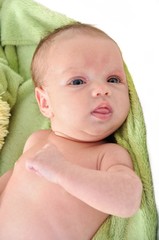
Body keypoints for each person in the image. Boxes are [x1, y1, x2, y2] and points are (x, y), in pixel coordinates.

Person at [0, 23, 143, 240]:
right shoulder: (36, 141)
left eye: (113, 80)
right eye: (78, 81)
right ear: (45, 102)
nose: (102, 89)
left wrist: (62, 171)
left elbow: (128, 201)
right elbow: (10, 181)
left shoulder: (107, 155)